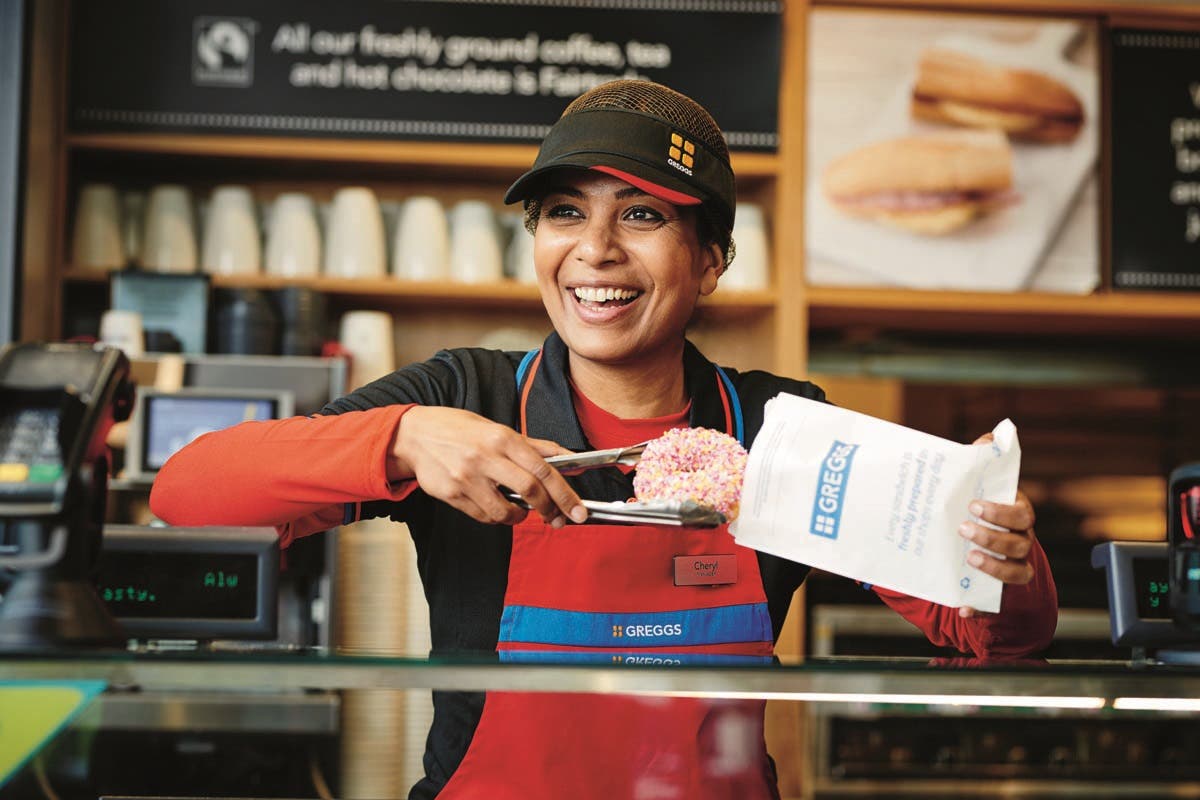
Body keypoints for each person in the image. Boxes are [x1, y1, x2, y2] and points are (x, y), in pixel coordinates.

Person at [151, 79, 1057, 799]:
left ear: (711, 260)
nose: (595, 250)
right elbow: (186, 496)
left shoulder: (782, 426)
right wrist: (404, 437)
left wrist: (1001, 554)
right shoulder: (461, 396)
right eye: (564, 213)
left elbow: (992, 636)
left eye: (643, 215)